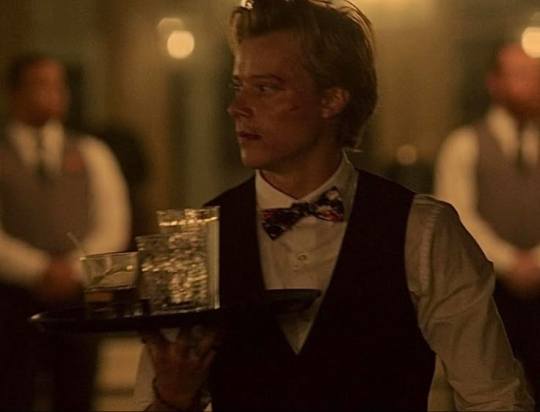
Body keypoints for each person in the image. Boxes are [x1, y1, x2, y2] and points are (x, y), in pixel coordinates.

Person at [134, 1, 533, 410]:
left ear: (331, 100)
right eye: (239, 86)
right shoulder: (199, 240)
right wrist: (173, 398)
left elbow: (495, 399)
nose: (237, 108)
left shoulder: (421, 231)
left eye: (266, 88)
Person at [0, 53, 131, 411]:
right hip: (11, 300)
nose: (52, 94)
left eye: (59, 85)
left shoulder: (91, 152)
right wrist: (37, 270)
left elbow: (113, 222)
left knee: (77, 395)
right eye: (40, 84)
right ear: (14, 93)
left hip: (78, 296)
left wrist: (72, 270)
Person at [435, 42, 540, 406]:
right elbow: (457, 217)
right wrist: (510, 263)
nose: (534, 85)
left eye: (536, 75)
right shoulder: (464, 144)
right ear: (494, 83)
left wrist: (537, 261)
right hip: (487, 294)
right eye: (521, 75)